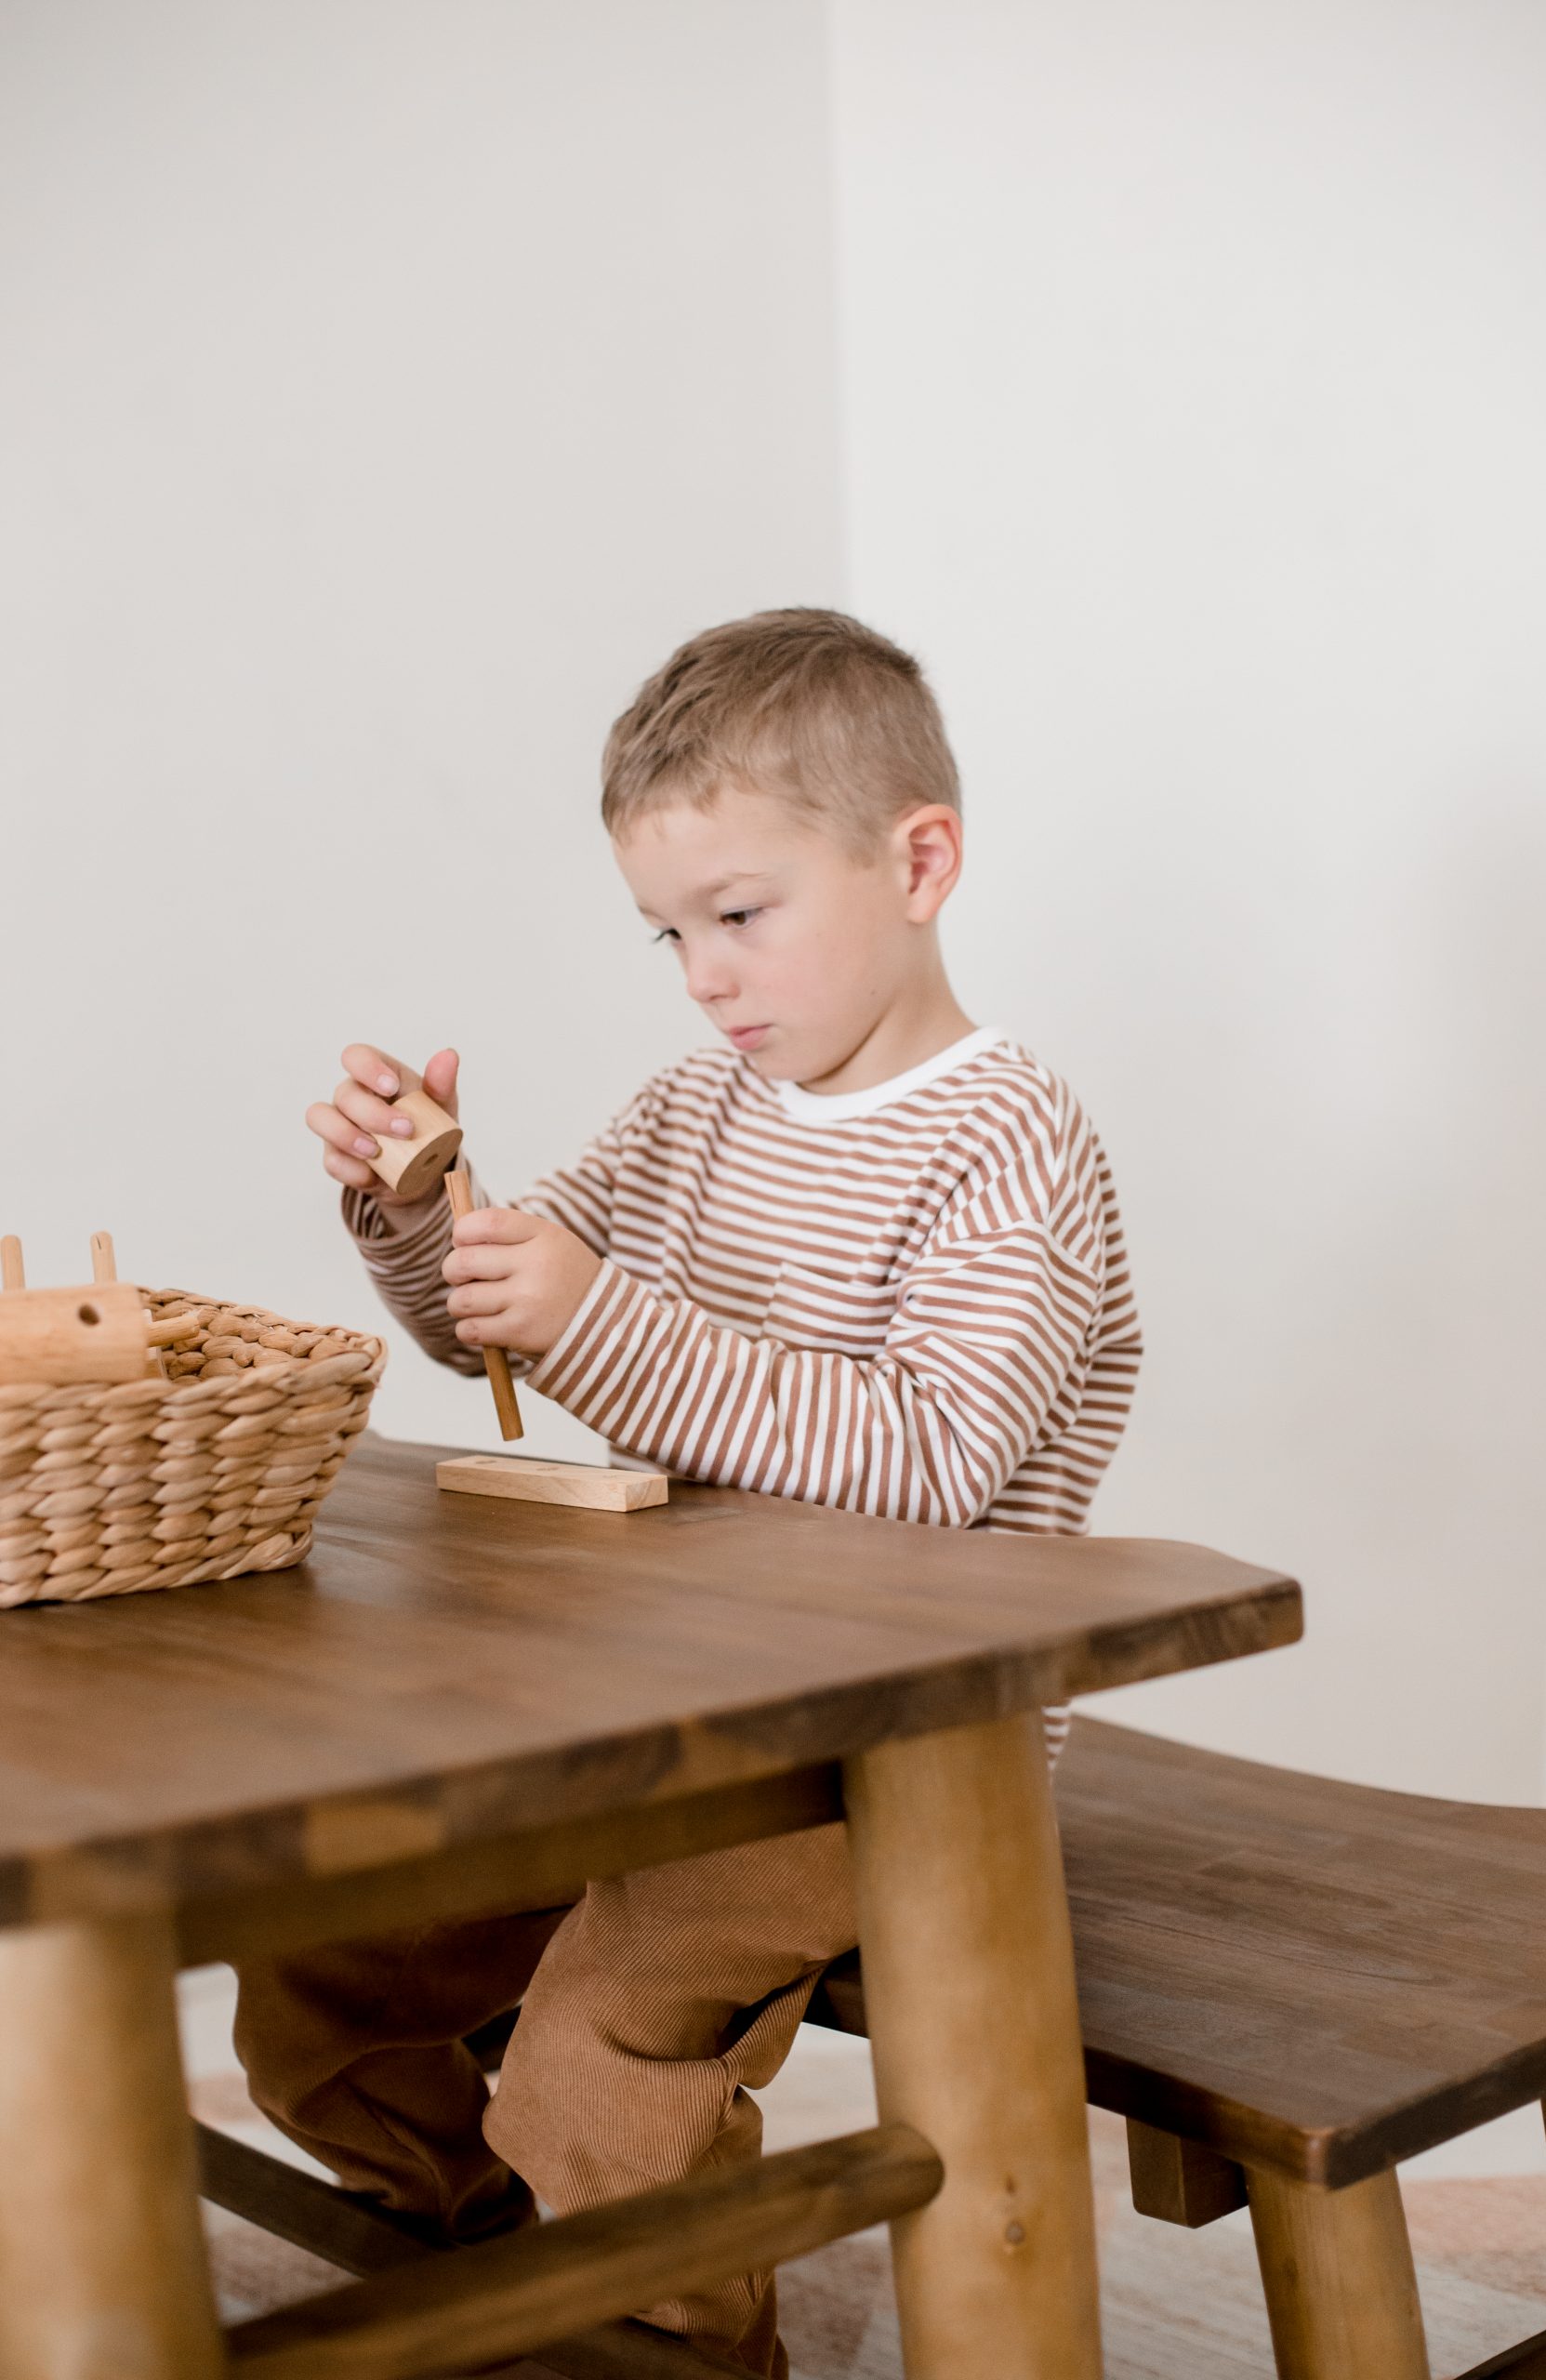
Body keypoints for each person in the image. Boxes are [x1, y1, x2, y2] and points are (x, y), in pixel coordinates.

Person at [235, 608, 1143, 2377]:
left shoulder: (1010, 1143)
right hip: (669, 1711)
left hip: (892, 1752)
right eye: (670, 934)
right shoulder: (698, 1110)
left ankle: (666, 2340)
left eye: (741, 915)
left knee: (595, 2055)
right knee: (326, 1977)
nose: (705, 975)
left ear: (919, 861)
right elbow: (494, 1326)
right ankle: (492, 2268)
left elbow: (931, 1464)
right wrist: (425, 1220)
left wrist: (596, 1318)